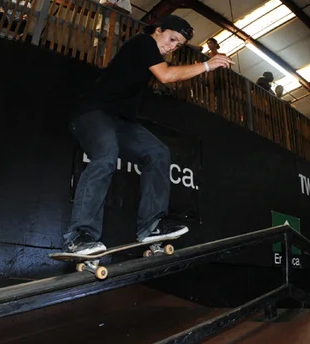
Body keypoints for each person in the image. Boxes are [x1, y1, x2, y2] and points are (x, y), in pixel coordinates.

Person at [64, 16, 234, 254]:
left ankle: (152, 226)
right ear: (158, 30)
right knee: (106, 155)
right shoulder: (143, 42)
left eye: (178, 45)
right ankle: (79, 235)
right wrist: (207, 65)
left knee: (158, 152)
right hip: (92, 112)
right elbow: (166, 76)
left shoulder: (148, 57)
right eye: (171, 39)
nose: (172, 47)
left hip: (121, 122)